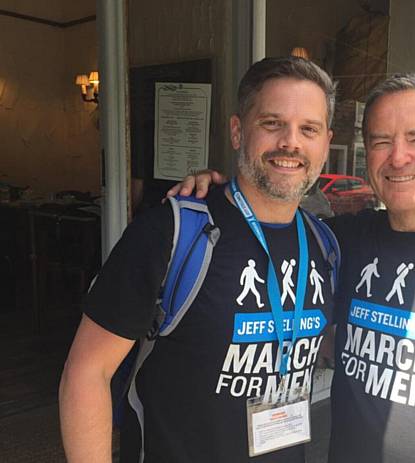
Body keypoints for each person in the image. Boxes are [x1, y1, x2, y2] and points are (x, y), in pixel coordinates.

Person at [171, 73, 415, 463]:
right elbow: (267, 222)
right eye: (382, 141)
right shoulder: (338, 241)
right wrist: (218, 191)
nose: (399, 158)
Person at [59, 56, 338, 463]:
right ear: (238, 131)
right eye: (272, 123)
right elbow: (86, 374)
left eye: (308, 129)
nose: (290, 142)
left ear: (326, 142)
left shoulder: (324, 243)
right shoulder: (172, 234)